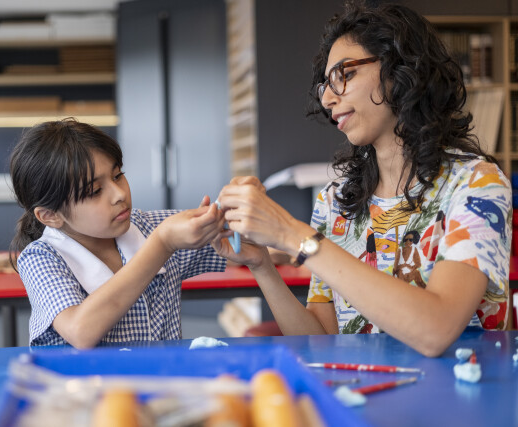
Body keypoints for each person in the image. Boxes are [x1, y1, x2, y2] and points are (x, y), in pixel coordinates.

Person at [213, 1, 511, 357]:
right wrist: (262, 265)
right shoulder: (336, 201)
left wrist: (291, 234)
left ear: (400, 68)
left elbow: (436, 329)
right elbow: (320, 341)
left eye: (345, 74)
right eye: (325, 85)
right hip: (366, 389)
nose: (327, 98)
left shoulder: (476, 184)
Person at [9, 118, 226, 348]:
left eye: (117, 176)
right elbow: (80, 331)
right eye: (95, 191)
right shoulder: (40, 258)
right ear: (50, 215)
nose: (119, 194)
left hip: (165, 372)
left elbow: (239, 240)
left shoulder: (148, 226)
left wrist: (237, 212)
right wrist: (161, 244)